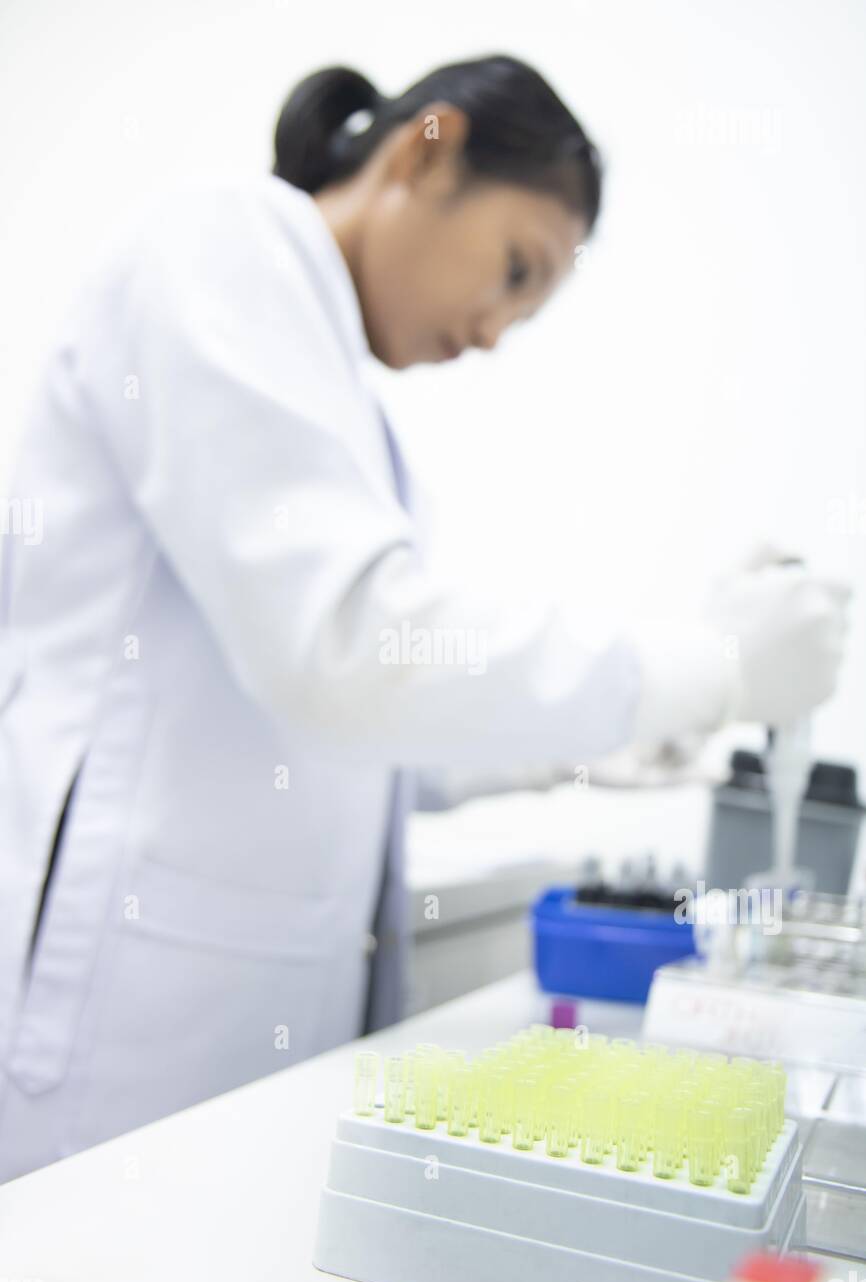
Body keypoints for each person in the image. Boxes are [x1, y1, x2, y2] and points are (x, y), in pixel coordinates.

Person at [0, 56, 848, 1181]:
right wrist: (702, 667)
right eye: (511, 269)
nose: (495, 331)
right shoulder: (220, 243)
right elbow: (346, 655)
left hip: (240, 1018)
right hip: (113, 1020)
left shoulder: (358, 417)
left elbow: (365, 743)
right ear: (422, 149)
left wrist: (614, 738)